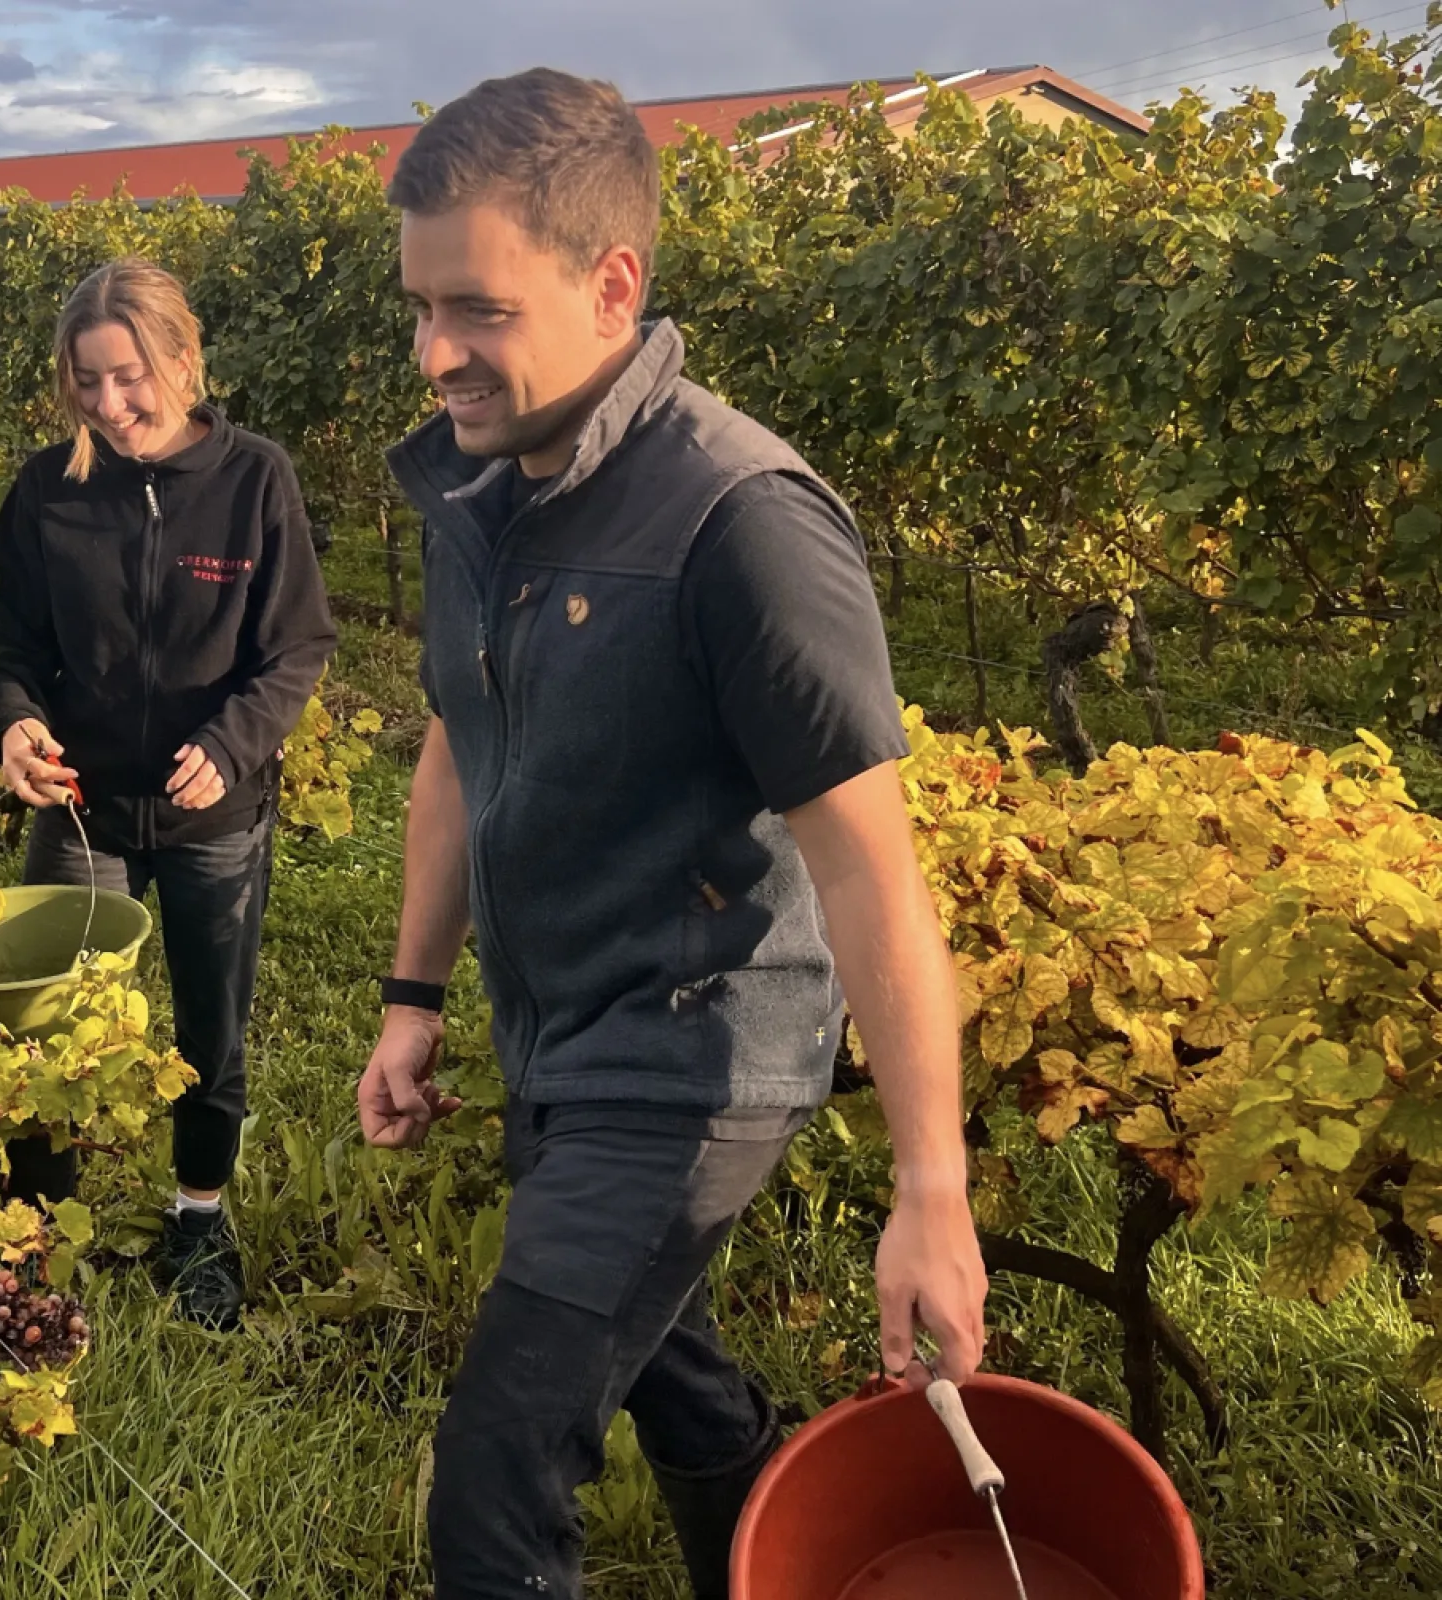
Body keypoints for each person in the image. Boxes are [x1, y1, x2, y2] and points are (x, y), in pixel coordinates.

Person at [357, 70, 989, 1600]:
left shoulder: (740, 523)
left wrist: (929, 1193)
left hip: (691, 1054)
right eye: (417, 307)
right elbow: (458, 737)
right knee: (665, 1358)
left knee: (494, 1485)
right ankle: (765, 1557)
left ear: (610, 283)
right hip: (555, 1027)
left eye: (476, 309)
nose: (435, 351)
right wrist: (412, 994)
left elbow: (868, 871)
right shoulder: (478, 480)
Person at [0, 257, 337, 1330]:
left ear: (183, 360)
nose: (110, 404)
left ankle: (198, 1220)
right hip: (81, 807)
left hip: (211, 816)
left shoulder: (253, 481)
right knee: (45, 1018)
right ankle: (33, 1231)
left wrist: (232, 745)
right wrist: (14, 724)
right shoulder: (49, 491)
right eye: (86, 382)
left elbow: (297, 646)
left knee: (206, 1022)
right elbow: (15, 648)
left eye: (130, 376)